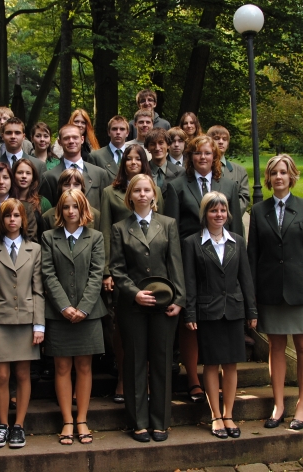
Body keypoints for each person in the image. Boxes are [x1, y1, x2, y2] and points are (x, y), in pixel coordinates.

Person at [163, 135, 245, 404]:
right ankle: (193, 379)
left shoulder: (229, 186)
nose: (202, 157)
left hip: (222, 263)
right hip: (190, 262)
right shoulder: (176, 185)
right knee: (192, 321)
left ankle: (223, 382)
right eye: (197, 153)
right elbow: (172, 230)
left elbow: (236, 228)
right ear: (190, 157)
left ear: (215, 156)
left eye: (208, 153)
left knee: (221, 321)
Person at [247, 154, 303, 431]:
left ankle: (302, 405)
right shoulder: (259, 211)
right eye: (274, 173)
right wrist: (252, 294)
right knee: (276, 347)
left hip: (301, 289)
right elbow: (253, 254)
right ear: (268, 179)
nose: (278, 177)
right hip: (270, 290)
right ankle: (278, 405)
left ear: (292, 176)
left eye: (283, 172)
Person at [109, 173, 185, 443]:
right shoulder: (119, 228)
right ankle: (138, 422)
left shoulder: (168, 224)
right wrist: (134, 294)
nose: (142, 194)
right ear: (130, 196)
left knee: (162, 362)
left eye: (147, 190)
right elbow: (117, 269)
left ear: (154, 195)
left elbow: (175, 263)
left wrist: (179, 300)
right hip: (133, 306)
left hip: (164, 305)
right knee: (135, 363)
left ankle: (160, 422)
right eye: (137, 190)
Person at [182, 192, 257, 439]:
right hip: (208, 312)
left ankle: (229, 414)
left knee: (231, 364)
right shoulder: (192, 243)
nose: (219, 215)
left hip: (234, 310)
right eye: (214, 210)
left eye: (223, 210)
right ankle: (215, 415)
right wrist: (190, 313)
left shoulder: (237, 241)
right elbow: (190, 281)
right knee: (212, 364)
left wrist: (251, 310)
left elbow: (245, 278)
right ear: (205, 214)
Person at [99, 144, 165, 404]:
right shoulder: (110, 192)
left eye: (138, 158)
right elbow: (106, 230)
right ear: (123, 162)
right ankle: (123, 377)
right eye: (129, 158)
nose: (133, 162)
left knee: (150, 328)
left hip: (151, 269)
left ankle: (145, 378)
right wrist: (107, 271)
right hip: (122, 269)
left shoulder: (155, 189)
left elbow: (163, 227)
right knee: (122, 327)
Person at [40, 190, 107, 445]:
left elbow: (96, 274)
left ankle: (82, 419)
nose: (71, 211)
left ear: (83, 210)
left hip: (88, 315)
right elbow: (48, 274)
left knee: (84, 367)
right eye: (66, 207)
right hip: (59, 315)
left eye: (75, 207)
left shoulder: (95, 237)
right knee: (61, 367)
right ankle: (67, 420)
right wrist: (64, 307)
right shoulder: (49, 237)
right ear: (60, 210)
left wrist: (84, 308)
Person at [0, 199, 45, 449]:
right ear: (1, 220)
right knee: (2, 375)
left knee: (23, 374)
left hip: (26, 320)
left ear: (23, 219)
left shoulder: (34, 249)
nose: (12, 220)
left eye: (17, 215)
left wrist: (39, 325)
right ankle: (2, 424)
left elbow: (38, 290)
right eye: (7, 216)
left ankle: (19, 425)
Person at [39, 124, 111, 211]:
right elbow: (46, 212)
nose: (71, 141)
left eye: (75, 137)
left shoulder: (100, 174)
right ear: (59, 142)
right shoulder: (49, 177)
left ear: (82, 139)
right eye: (66, 138)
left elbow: (106, 209)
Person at [207, 125, 250, 214]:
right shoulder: (201, 169)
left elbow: (244, 199)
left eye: (224, 139)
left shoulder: (240, 171)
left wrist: (225, 215)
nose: (221, 142)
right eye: (217, 138)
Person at [12, 158, 51, 239]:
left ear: (33, 177)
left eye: (28, 173)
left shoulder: (42, 202)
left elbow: (49, 232)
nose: (24, 176)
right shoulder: (7, 201)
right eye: (20, 172)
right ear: (13, 176)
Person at [90, 115, 129, 179]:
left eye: (122, 129)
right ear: (108, 132)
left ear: (127, 133)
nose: (118, 132)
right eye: (114, 129)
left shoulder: (134, 155)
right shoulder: (96, 156)